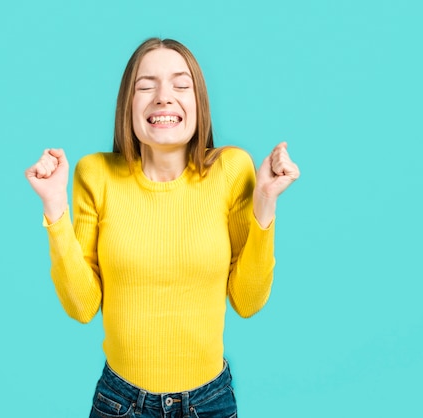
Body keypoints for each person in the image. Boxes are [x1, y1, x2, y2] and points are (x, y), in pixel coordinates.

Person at [25, 38, 300, 418]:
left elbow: (248, 302)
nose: (163, 97)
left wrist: (266, 202)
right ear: (128, 105)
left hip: (210, 403)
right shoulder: (95, 174)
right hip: (121, 403)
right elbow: (82, 306)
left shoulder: (233, 170)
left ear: (198, 103)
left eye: (180, 85)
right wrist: (55, 208)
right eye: (146, 86)